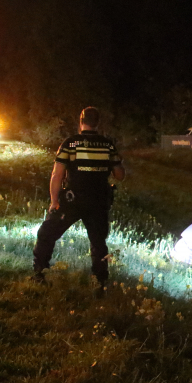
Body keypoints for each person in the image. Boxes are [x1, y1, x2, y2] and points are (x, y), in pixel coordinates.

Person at [32, 107, 125, 291]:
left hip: (72, 201)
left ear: (81, 121)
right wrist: (117, 162)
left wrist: (54, 201)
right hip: (99, 202)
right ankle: (100, 283)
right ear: (98, 123)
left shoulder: (70, 143)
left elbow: (57, 175)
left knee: (46, 234)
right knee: (98, 243)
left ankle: (39, 274)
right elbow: (120, 175)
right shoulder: (108, 145)